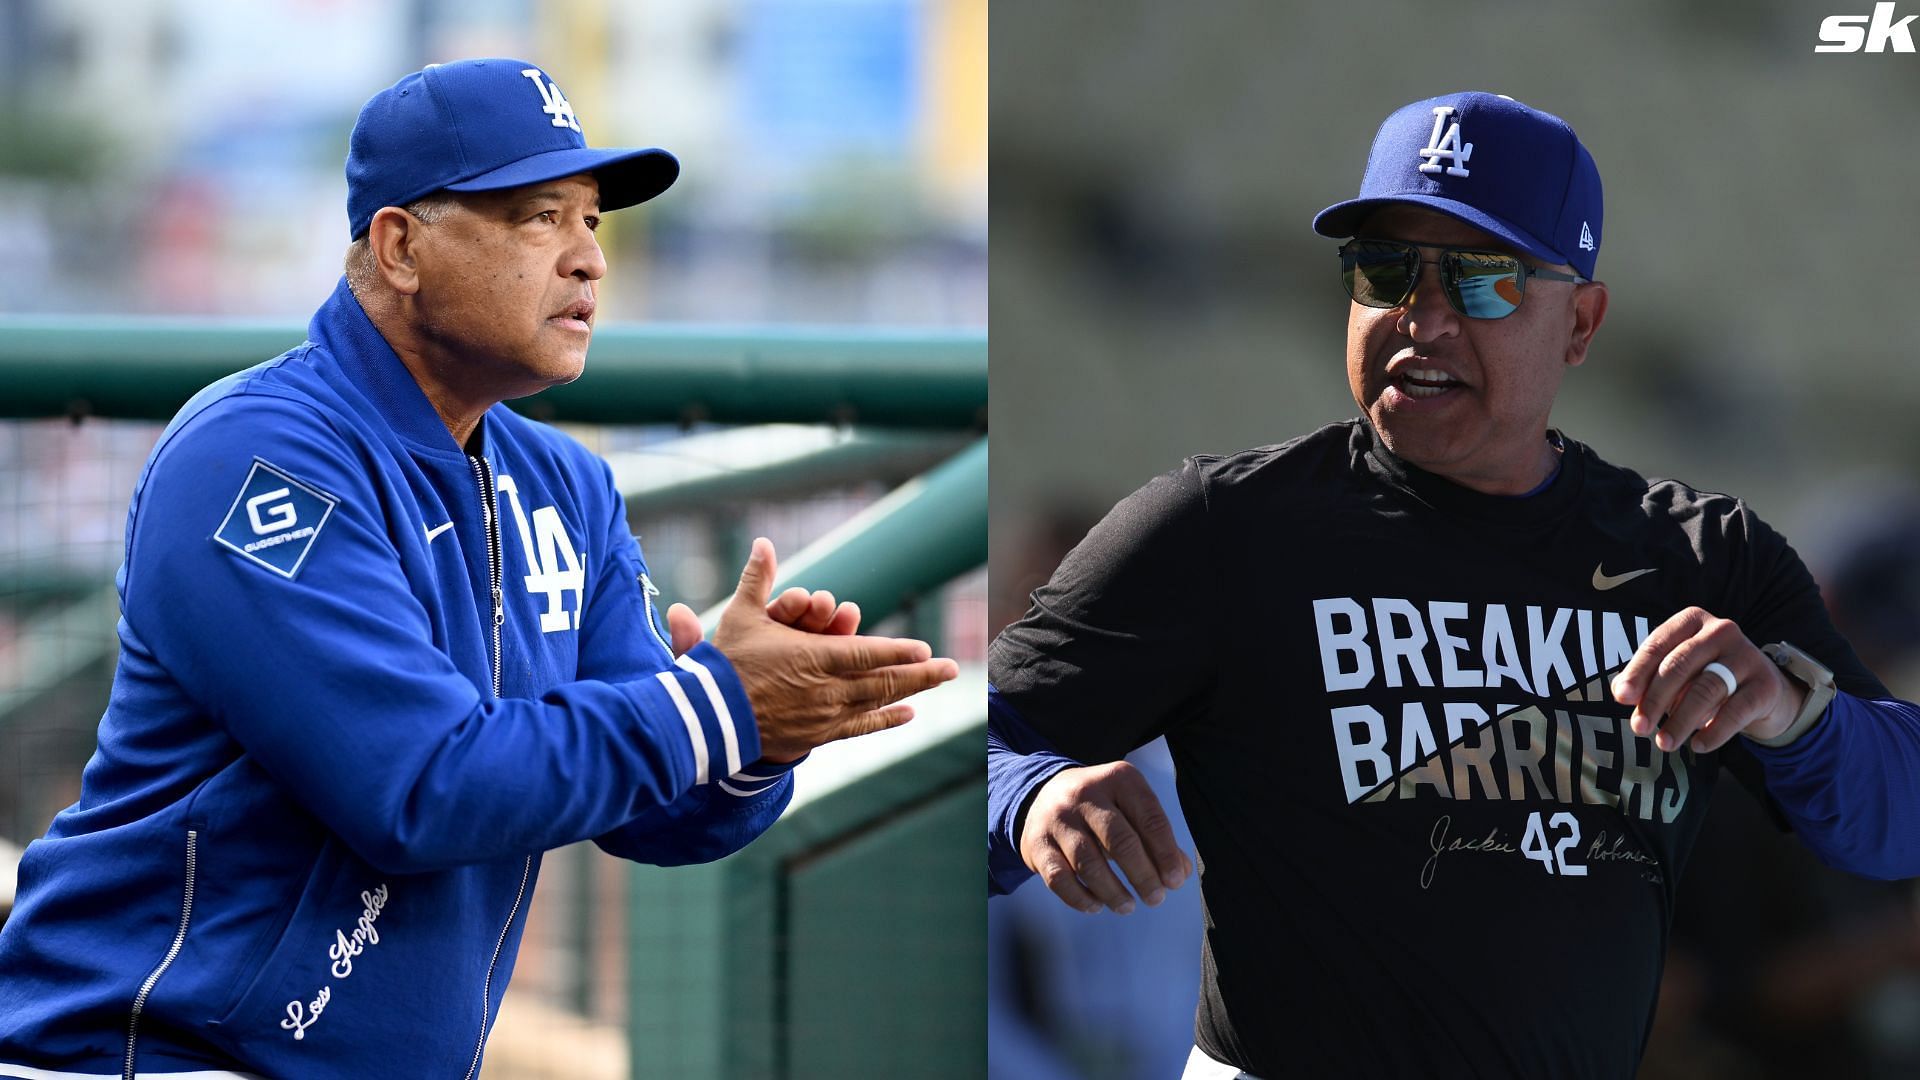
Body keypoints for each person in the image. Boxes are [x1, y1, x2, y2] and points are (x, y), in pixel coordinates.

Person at [0, 58, 957, 1079]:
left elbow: (649, 807)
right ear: (401, 246)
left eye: (592, 220)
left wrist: (759, 739)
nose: (587, 259)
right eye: (540, 217)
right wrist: (713, 708)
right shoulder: (257, 457)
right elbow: (416, 788)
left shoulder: (565, 485)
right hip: (143, 1055)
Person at [987, 91, 1920, 1079]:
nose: (1420, 319)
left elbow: (1899, 819)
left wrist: (1792, 712)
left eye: (1481, 282)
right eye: (1387, 269)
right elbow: (976, 743)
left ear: (1581, 323)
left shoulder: (1704, 558)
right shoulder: (1220, 525)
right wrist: (1032, 798)